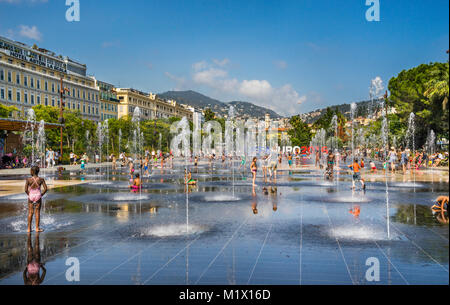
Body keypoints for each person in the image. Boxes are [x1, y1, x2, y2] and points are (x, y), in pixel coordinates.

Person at [25, 166, 48, 233]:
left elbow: (25, 190)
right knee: (37, 212)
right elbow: (46, 188)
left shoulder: (28, 180)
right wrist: (41, 195)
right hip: (38, 196)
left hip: (31, 196)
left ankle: (29, 229)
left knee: (30, 212)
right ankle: (37, 228)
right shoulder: (41, 179)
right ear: (38, 171)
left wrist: (29, 195)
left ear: (32, 171)